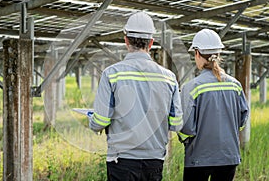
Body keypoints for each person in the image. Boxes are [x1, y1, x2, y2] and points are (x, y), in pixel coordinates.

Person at [89, 11, 183, 181]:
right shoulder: (169, 77)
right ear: (151, 42)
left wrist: (92, 120)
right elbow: (176, 123)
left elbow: (101, 121)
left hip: (121, 160)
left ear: (126, 40)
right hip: (154, 159)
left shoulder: (112, 74)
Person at [178, 28, 249, 181]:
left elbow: (186, 127)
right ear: (219, 54)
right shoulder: (235, 85)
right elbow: (242, 118)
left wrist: (185, 140)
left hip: (198, 158)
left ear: (197, 53)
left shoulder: (191, 87)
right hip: (229, 157)